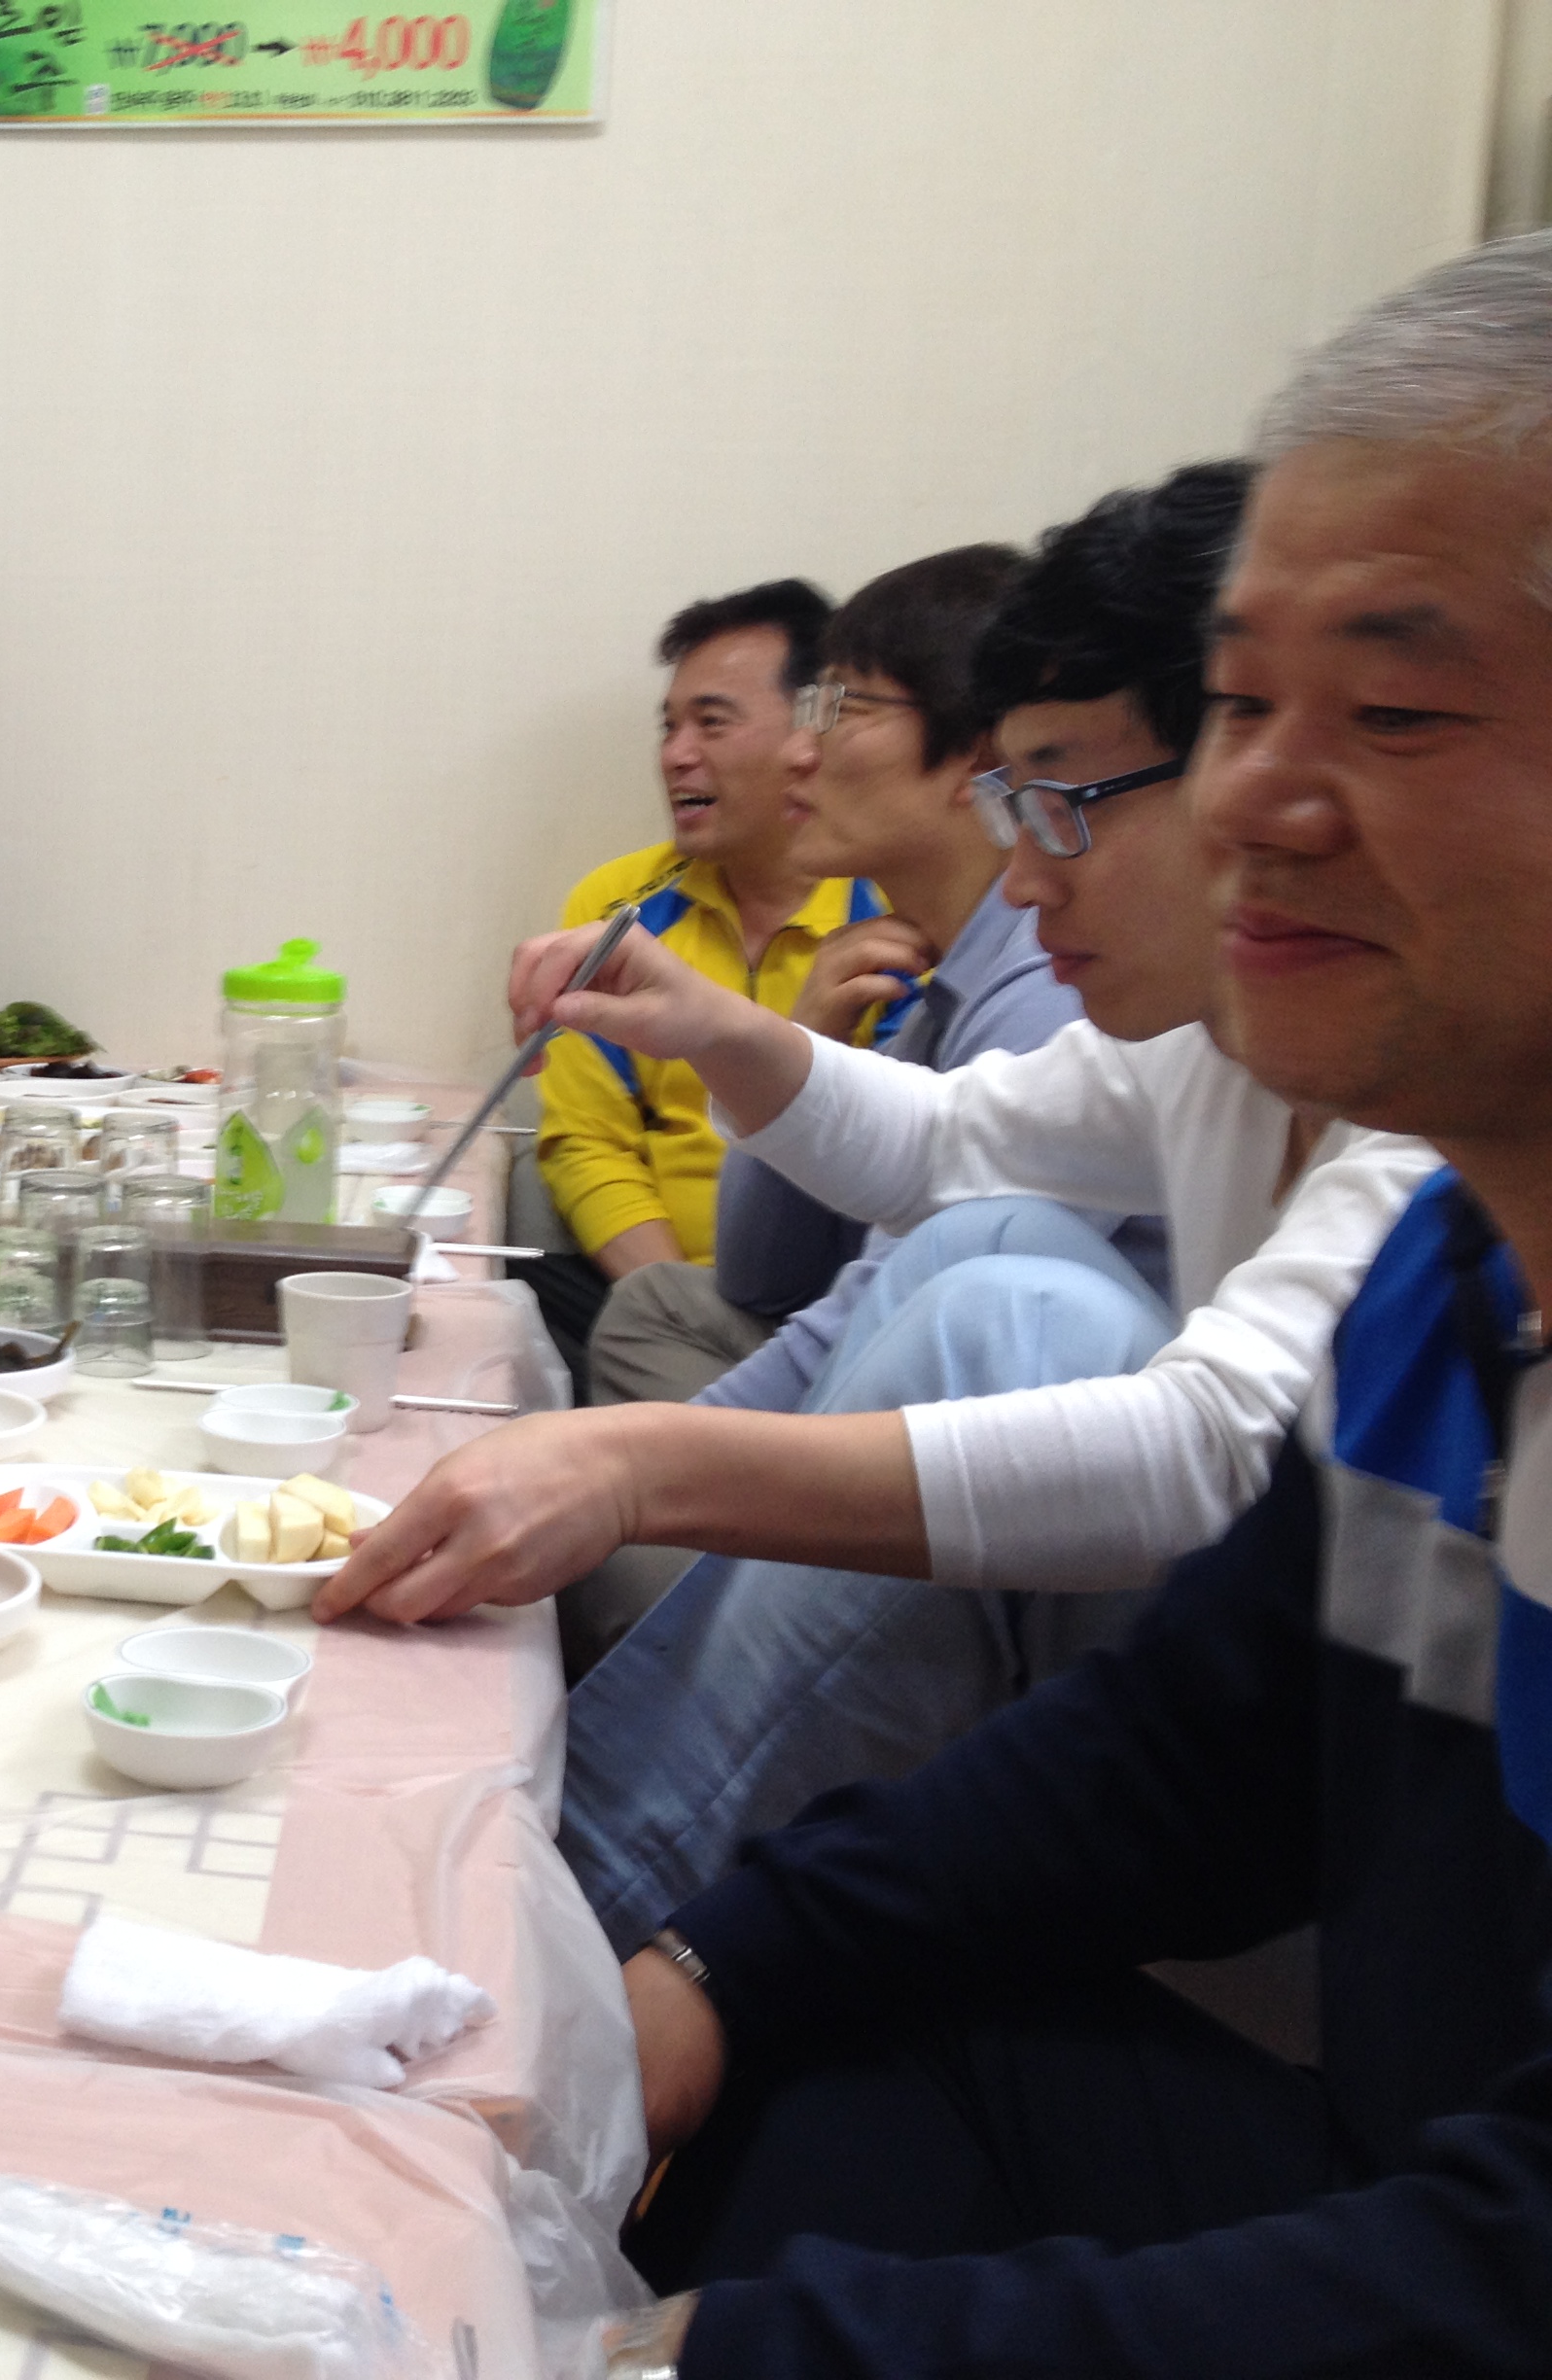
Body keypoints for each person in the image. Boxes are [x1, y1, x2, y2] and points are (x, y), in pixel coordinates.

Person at [592, 229, 1552, 2380]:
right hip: (1387, 2128)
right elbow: (1184, 1748)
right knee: (824, 2042)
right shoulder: (1452, 1276)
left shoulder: (1392, 1181)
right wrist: (715, 1961)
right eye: (1241, 706)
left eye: (1394, 709)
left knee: (996, 1298)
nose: (1253, 801)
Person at [320, 465, 1438, 1947]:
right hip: (1177, 1660)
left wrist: (639, 1468)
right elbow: (945, 1146)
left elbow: (1206, 1448)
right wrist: (714, 1025)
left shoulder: (1428, 1107)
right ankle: (559, 1875)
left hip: (1267, 1776)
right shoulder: (1207, 1048)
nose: (1024, 877)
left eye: (1060, 805)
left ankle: (556, 1920)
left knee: (1014, 1307)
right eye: (1011, 804)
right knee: (988, 1238)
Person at [585, 541, 1113, 1413]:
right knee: (656, 1307)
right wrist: (801, 1042)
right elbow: (760, 1278)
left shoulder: (1045, 990)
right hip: (881, 1370)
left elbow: (875, 1333)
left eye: (839, 709)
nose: (801, 752)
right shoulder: (943, 971)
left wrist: (638, 1469)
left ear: (979, 758)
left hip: (989, 1434)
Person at [526, 579, 883, 1383]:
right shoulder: (616, 909)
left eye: (712, 723)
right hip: (658, 1301)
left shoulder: (890, 914)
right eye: (669, 727)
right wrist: (673, 1310)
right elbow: (589, 1143)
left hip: (843, 1313)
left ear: (812, 733)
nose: (676, 754)